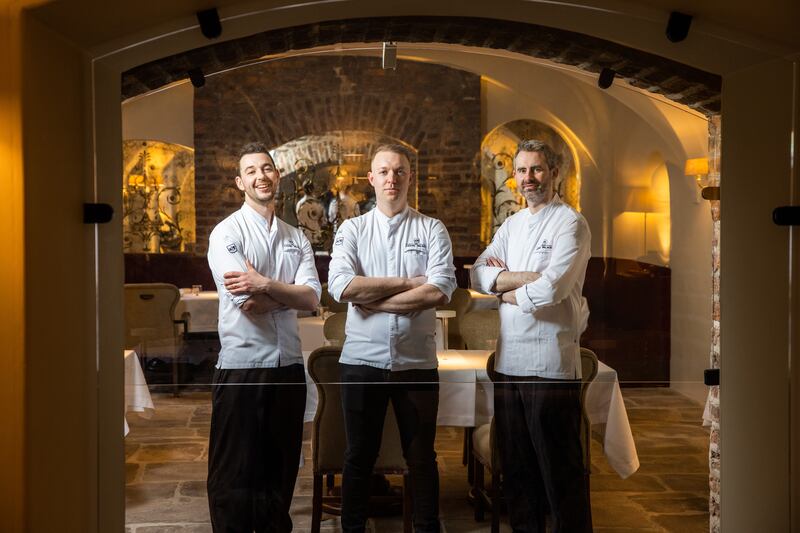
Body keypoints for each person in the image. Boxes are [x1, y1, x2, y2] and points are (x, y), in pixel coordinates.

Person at [327, 144, 457, 533]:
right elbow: (341, 287)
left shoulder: (432, 228)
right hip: (360, 362)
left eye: (399, 171)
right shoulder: (352, 229)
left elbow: (441, 289)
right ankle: (353, 529)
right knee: (357, 457)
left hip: (416, 363)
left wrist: (374, 301)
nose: (391, 178)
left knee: (421, 458)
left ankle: (427, 528)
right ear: (371, 179)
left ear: (410, 177)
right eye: (383, 172)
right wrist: (406, 284)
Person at [471, 139, 592, 533]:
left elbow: (555, 288)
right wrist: (517, 282)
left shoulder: (571, 223)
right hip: (508, 365)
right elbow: (478, 272)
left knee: (561, 475)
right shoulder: (512, 224)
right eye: (521, 171)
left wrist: (505, 291)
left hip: (551, 366)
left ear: (555, 173)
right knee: (518, 473)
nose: (528, 179)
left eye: (537, 169)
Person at [206, 142, 322, 532]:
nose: (262, 176)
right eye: (252, 171)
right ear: (241, 182)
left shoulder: (296, 236)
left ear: (278, 176)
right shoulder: (226, 233)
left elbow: (313, 297)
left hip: (288, 366)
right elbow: (245, 300)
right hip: (243, 367)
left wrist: (266, 284)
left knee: (280, 473)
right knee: (233, 478)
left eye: (268, 168)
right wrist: (286, 293)